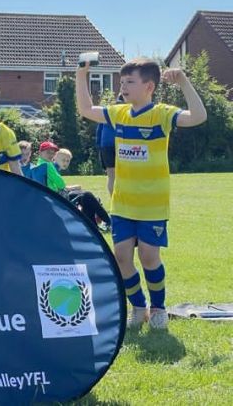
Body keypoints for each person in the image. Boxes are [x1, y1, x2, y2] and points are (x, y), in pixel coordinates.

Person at [77, 57, 207, 330]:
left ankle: (158, 307)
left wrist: (183, 81)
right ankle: (138, 307)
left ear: (149, 86)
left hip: (153, 204)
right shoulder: (119, 113)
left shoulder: (162, 113)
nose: (123, 87)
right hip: (123, 203)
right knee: (122, 257)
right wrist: (81, 74)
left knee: (149, 257)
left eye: (130, 82)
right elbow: (86, 109)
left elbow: (198, 117)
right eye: (122, 82)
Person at [54, 148, 112, 230]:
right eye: (63, 160)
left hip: (60, 196)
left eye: (68, 161)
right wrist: (74, 187)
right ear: (55, 157)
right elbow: (60, 188)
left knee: (85, 197)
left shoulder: (55, 168)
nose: (65, 163)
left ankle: (92, 225)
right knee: (87, 195)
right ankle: (108, 221)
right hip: (59, 199)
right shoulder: (53, 169)